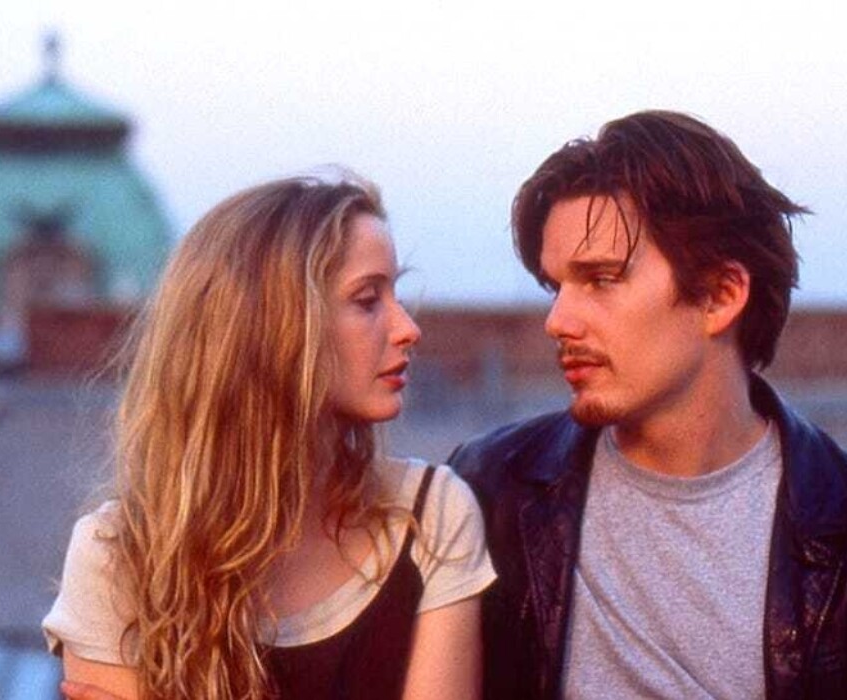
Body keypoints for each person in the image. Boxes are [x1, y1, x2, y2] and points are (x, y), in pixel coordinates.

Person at [43, 171, 495, 700]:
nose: (408, 328)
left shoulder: (431, 515)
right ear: (273, 326)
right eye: (368, 300)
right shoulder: (117, 554)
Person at [450, 110, 847, 699]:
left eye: (601, 279)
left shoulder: (835, 522)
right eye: (556, 286)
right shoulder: (489, 489)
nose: (558, 320)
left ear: (721, 296)